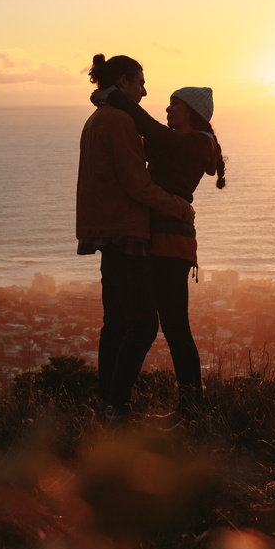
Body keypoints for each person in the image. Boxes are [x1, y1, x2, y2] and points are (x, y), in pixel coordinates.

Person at [76, 54, 195, 421]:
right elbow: (136, 182)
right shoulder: (119, 120)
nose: (144, 92)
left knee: (115, 324)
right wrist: (176, 205)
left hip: (103, 232)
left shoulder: (94, 120)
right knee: (143, 324)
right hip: (126, 233)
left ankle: (106, 405)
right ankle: (117, 406)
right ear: (125, 82)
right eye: (140, 83)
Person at [99, 83, 226, 418]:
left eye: (175, 104)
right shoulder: (182, 144)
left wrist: (117, 98)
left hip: (171, 243)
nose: (168, 110)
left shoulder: (200, 142)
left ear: (192, 111)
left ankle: (182, 405)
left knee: (168, 327)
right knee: (165, 326)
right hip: (161, 241)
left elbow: (154, 132)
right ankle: (185, 405)